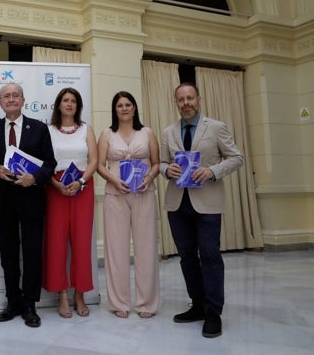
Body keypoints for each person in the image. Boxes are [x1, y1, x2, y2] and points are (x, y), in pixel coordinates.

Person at [160, 82, 243, 338]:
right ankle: (196, 305)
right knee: (187, 257)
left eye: (190, 98)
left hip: (207, 202)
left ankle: (213, 312)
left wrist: (212, 171)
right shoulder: (168, 132)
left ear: (198, 99)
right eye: (181, 99)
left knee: (210, 256)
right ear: (176, 103)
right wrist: (166, 170)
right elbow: (161, 162)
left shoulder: (216, 127)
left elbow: (236, 157)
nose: (186, 103)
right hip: (178, 202)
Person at [0, 83, 56, 328]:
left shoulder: (40, 128)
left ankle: (30, 304)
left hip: (31, 199)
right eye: (6, 96)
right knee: (9, 256)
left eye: (15, 96)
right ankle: (13, 302)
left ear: (23, 100)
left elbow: (49, 163)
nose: (11, 99)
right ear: (0, 102)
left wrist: (34, 178)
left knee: (32, 254)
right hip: (3, 201)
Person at [97, 91, 160, 319]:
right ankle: (119, 303)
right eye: (119, 105)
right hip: (115, 195)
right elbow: (100, 165)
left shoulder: (147, 133)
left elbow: (156, 163)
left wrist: (148, 178)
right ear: (115, 110)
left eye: (128, 104)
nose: (124, 108)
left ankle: (147, 304)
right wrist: (114, 180)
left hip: (144, 193)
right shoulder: (106, 133)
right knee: (116, 250)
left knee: (146, 249)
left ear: (134, 108)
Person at [42, 87, 97, 318]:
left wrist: (82, 181)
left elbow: (94, 160)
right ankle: (62, 294)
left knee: (82, 243)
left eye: (73, 100)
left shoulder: (86, 129)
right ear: (59, 104)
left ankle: (80, 294)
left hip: (82, 186)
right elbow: (44, 161)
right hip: (56, 187)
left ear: (78, 105)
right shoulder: (49, 130)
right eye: (65, 100)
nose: (69, 104)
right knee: (56, 242)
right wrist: (55, 184)